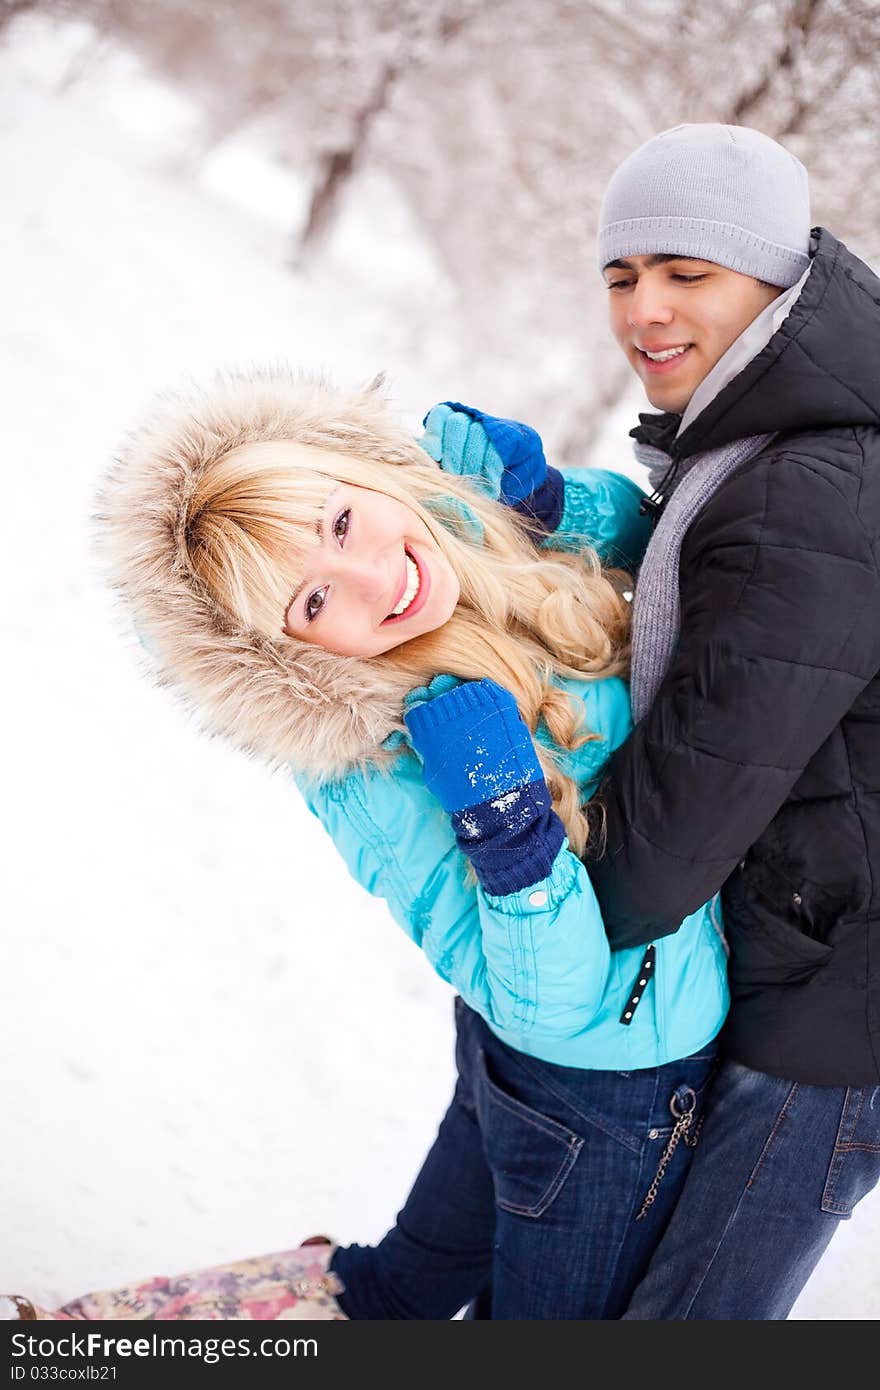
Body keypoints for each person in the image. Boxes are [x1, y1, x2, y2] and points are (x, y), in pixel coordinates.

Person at [4, 369, 727, 1321]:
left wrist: (548, 508)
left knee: (400, 1290)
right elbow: (552, 1008)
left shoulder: (461, 543)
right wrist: (507, 833)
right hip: (601, 1092)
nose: (379, 579)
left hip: (522, 1071)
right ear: (289, 657)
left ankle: (85, 1338)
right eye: (313, 604)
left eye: (343, 526)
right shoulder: (371, 759)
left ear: (368, 474)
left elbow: (665, 555)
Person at [469, 122, 880, 1320]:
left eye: (686, 274)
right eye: (619, 274)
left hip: (823, 1017)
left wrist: (524, 939)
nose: (643, 308)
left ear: (775, 283)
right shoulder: (776, 445)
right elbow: (701, 587)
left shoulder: (814, 485)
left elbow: (682, 814)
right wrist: (554, 513)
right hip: (794, 967)